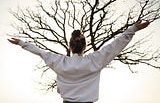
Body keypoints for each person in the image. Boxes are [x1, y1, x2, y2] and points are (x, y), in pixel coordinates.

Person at [8, 20, 150, 103]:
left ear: (70, 46)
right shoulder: (94, 60)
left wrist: (21, 42)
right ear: (85, 46)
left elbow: (39, 51)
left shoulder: (60, 62)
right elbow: (115, 45)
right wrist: (133, 29)